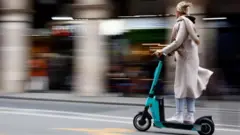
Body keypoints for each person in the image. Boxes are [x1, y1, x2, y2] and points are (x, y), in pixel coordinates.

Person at [153, 1, 213, 124]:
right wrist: (168, 52)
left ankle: (179, 115)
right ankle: (189, 116)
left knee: (180, 86)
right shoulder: (190, 22)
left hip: (185, 60)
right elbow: (182, 43)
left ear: (177, 12)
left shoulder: (182, 22)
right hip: (191, 59)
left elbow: (177, 42)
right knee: (190, 86)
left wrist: (162, 51)